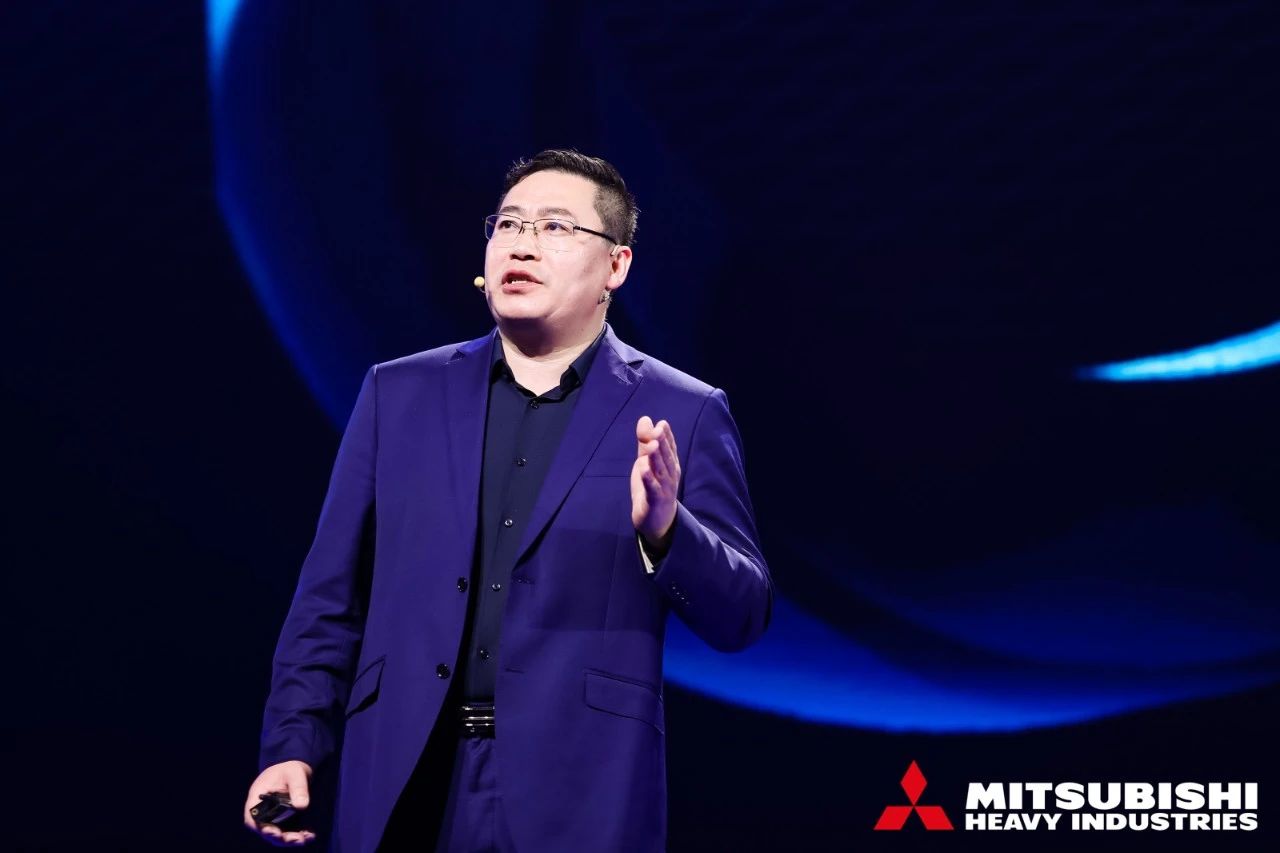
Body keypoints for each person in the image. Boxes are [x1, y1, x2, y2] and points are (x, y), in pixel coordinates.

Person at [242, 149, 772, 851]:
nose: (522, 244)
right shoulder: (397, 394)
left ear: (615, 267)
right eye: (509, 224)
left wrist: (668, 530)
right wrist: (292, 744)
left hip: (581, 793)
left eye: (555, 227)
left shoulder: (684, 409)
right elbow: (329, 599)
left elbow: (743, 614)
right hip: (405, 775)